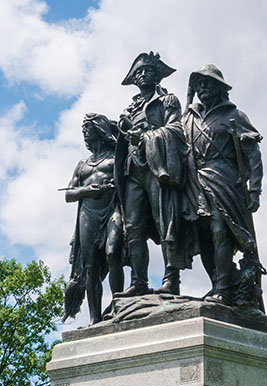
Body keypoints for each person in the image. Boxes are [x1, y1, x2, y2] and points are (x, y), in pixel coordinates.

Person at [181, 65, 264, 306]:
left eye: (208, 83)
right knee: (203, 236)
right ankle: (217, 283)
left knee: (221, 231)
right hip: (195, 181)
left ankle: (223, 288)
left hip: (224, 178)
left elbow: (253, 155)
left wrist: (255, 189)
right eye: (198, 84)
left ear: (219, 88)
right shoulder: (189, 117)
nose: (202, 88)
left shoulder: (234, 116)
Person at [115, 52, 190, 296]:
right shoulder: (130, 108)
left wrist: (147, 136)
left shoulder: (167, 100)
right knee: (133, 227)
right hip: (132, 169)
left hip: (158, 167)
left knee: (164, 222)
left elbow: (176, 130)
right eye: (138, 72)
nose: (143, 74)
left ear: (157, 75)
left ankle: (171, 279)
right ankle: (138, 282)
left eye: (148, 70)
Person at [64, 114, 124, 323]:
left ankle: (120, 306)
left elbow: (126, 183)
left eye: (87, 130)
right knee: (91, 267)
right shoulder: (82, 165)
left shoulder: (115, 157)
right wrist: (87, 190)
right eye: (83, 131)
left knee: (113, 252)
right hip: (88, 213)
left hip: (112, 209)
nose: (85, 135)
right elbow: (68, 194)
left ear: (99, 130)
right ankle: (94, 318)